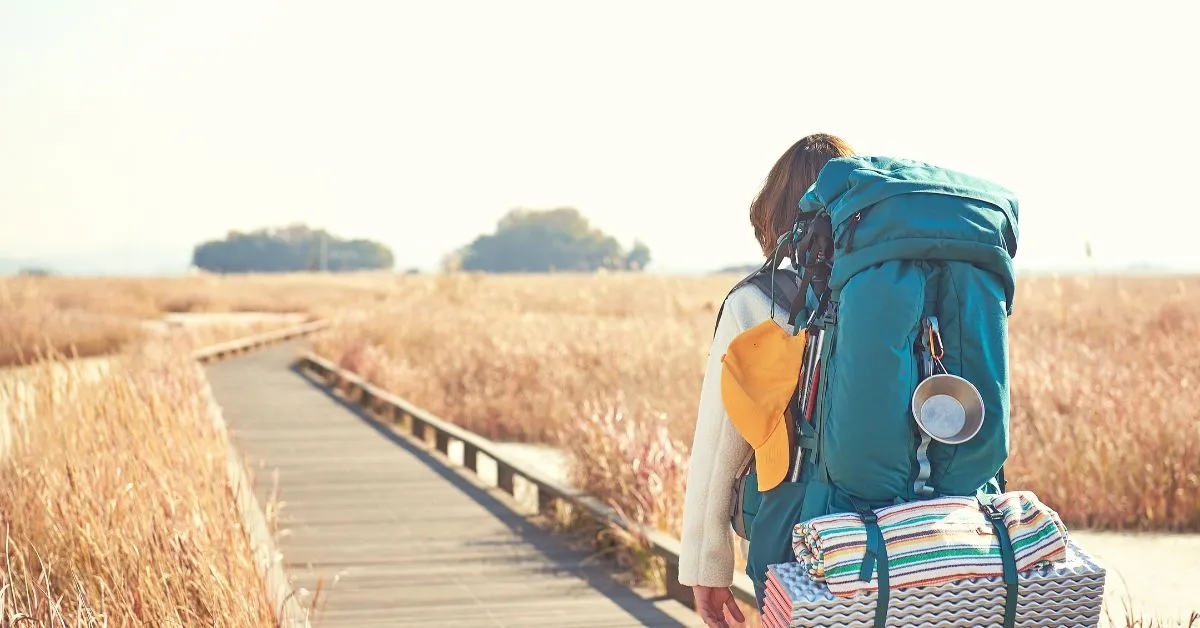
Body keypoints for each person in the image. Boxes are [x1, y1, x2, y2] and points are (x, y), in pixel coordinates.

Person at [678, 133, 856, 628]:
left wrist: (707, 566)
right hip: (916, 535)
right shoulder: (901, 293)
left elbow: (720, 447)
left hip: (797, 537)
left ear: (776, 215)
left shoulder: (757, 301)